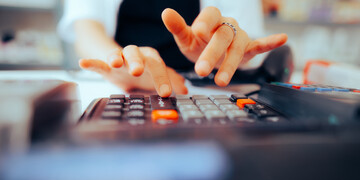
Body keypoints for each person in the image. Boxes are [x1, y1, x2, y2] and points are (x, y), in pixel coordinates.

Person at [58, 0, 287, 97]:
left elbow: (243, 40)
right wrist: (119, 63)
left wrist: (220, 51)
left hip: (201, 90)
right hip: (120, 87)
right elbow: (86, 30)